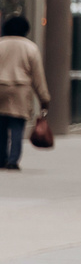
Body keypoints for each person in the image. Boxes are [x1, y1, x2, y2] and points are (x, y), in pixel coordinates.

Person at [0, 15, 45, 169]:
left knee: (1, 126)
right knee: (17, 125)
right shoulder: (30, 47)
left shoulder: (1, 44)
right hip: (20, 89)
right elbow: (38, 76)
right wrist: (44, 97)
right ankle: (13, 161)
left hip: (0, 87)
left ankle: (1, 158)